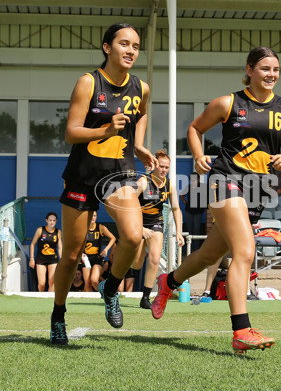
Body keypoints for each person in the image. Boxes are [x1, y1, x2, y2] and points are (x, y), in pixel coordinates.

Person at [150, 47, 281, 353]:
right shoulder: (228, 103)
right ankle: (241, 330)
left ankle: (167, 283)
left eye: (276, 69)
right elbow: (195, 129)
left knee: (209, 255)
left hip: (258, 190)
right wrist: (198, 156)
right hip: (224, 182)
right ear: (249, 70)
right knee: (244, 251)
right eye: (265, 68)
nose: (271, 74)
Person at [50, 23, 157, 345]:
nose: (130, 51)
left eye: (135, 46)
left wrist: (138, 143)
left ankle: (110, 287)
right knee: (70, 256)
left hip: (119, 173)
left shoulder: (142, 87)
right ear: (107, 47)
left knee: (134, 237)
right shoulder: (88, 82)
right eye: (124, 44)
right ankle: (58, 315)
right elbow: (71, 132)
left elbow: (142, 114)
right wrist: (105, 130)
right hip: (83, 174)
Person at [132, 150, 185, 309]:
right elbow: (128, 205)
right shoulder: (143, 182)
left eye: (166, 167)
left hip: (156, 223)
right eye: (161, 166)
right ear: (154, 166)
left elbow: (176, 209)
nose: (164, 170)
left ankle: (146, 298)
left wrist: (179, 233)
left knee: (154, 259)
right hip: (137, 223)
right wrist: (139, 228)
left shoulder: (169, 185)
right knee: (136, 263)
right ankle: (111, 285)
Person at [79, 212, 116, 291]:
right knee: (87, 283)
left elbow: (113, 238)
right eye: (91, 215)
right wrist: (81, 253)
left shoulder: (100, 227)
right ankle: (90, 301)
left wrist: (106, 249)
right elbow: (75, 243)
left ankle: (102, 296)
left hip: (97, 257)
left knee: (94, 281)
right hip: (86, 258)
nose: (93, 217)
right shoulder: (82, 228)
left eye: (94, 215)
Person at [29, 212, 62, 292]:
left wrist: (61, 260)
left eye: (54, 220)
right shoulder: (40, 230)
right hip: (41, 259)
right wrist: (32, 258)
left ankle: (50, 301)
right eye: (50, 220)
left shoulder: (58, 232)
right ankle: (41, 297)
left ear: (56, 221)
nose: (52, 222)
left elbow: (60, 247)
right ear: (46, 220)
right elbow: (32, 244)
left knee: (52, 282)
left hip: (53, 260)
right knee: (42, 283)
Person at [180, 172, 207, 251]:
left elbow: (208, 196)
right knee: (189, 230)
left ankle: (196, 250)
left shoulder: (203, 187)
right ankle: (190, 250)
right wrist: (184, 202)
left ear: (198, 179)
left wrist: (205, 206)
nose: (193, 181)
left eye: (194, 180)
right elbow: (181, 194)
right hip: (189, 211)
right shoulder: (188, 187)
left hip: (198, 212)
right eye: (191, 180)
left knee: (196, 230)